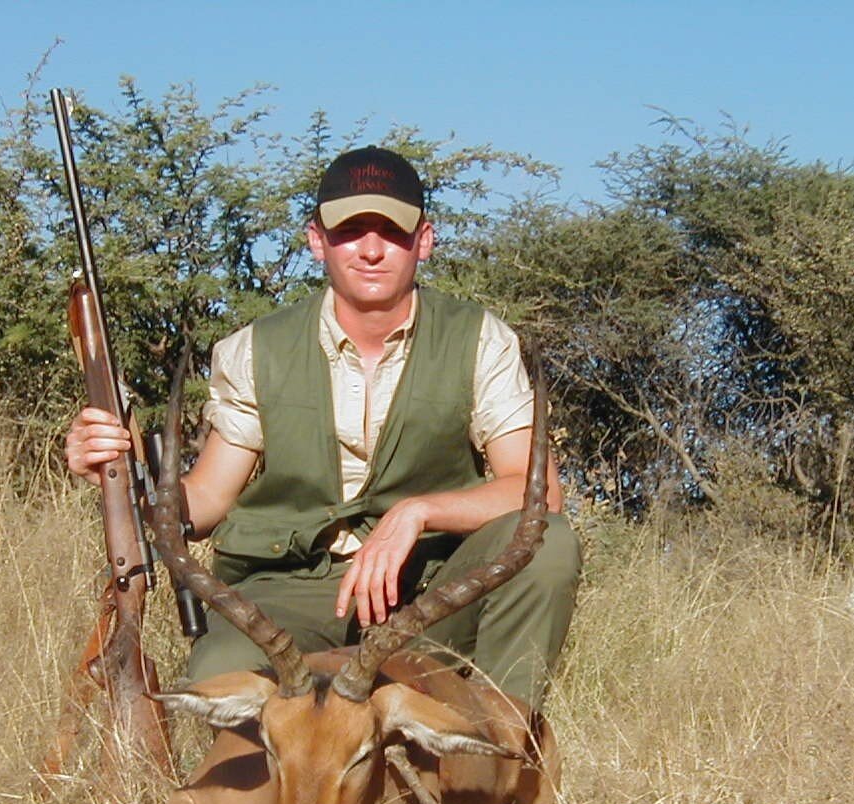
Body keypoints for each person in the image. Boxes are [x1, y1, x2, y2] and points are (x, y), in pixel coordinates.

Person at [65, 146, 580, 710]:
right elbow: (207, 500)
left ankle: (497, 757)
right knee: (222, 678)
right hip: (286, 599)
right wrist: (121, 473)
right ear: (317, 241)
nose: (371, 249)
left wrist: (417, 512)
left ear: (424, 240)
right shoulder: (254, 349)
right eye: (350, 230)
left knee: (547, 542)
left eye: (392, 231)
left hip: (426, 594)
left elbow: (536, 493)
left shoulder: (480, 340)